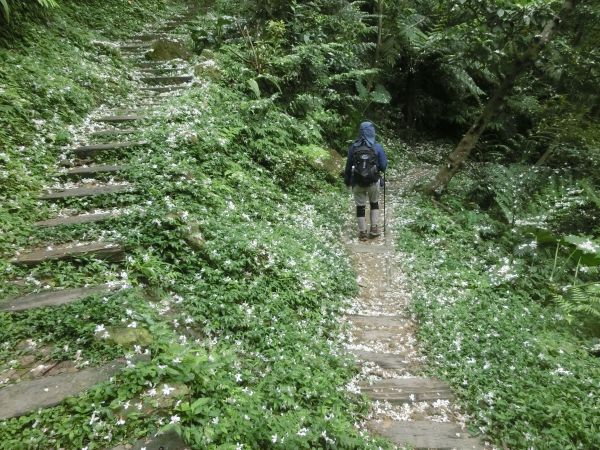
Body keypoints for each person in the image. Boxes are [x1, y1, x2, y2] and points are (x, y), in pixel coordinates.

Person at [344, 121, 387, 241]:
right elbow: (383, 167)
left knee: (360, 207)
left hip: (357, 182)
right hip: (373, 181)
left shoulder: (354, 147)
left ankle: (362, 233)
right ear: (372, 132)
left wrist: (347, 181)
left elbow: (348, 167)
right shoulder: (377, 147)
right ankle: (374, 228)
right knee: (374, 203)